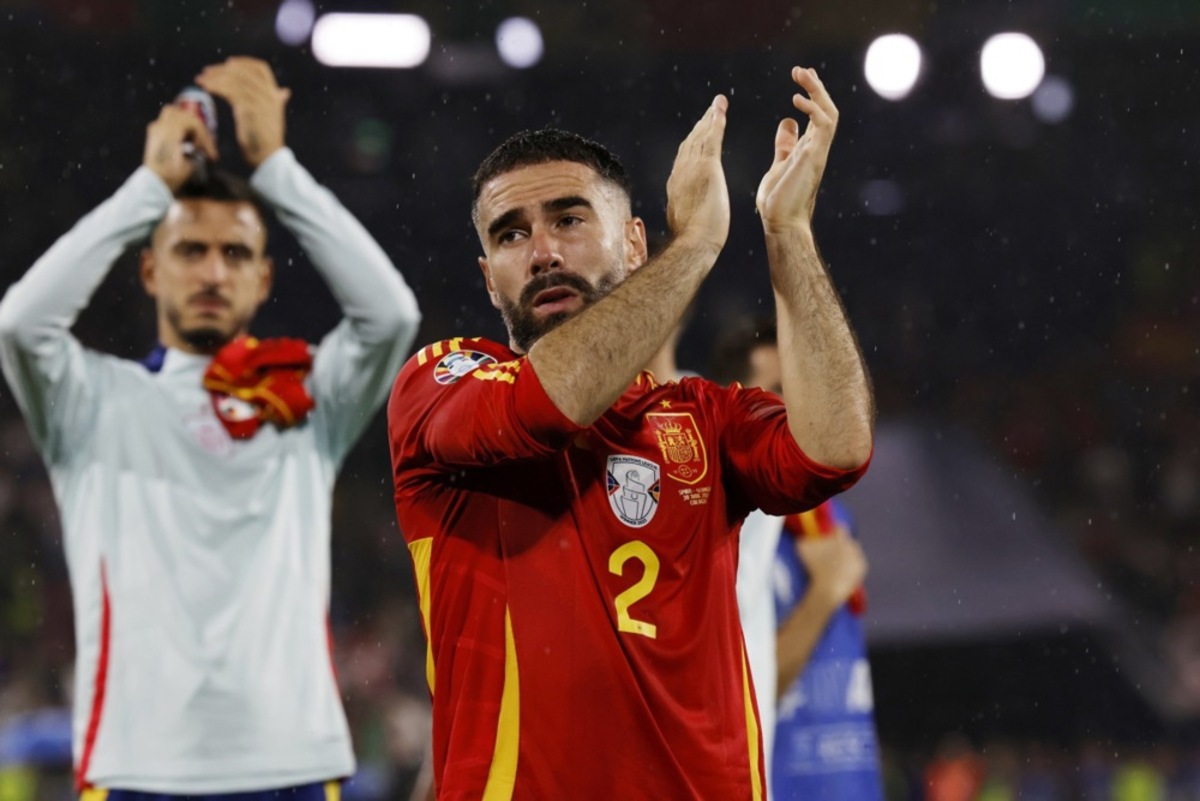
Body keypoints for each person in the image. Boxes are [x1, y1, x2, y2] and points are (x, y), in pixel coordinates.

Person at [388, 66, 873, 798]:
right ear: (490, 280)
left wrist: (789, 233)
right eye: (512, 234)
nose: (543, 250)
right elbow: (549, 404)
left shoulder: (702, 418)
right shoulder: (440, 382)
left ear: (635, 243)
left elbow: (836, 449)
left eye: (570, 219)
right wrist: (699, 244)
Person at [0, 57, 421, 795]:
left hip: (290, 760)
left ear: (263, 278)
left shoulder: (306, 397)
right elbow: (20, 324)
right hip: (137, 764)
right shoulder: (92, 399)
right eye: (189, 250)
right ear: (150, 272)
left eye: (235, 253)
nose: (212, 272)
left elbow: (391, 315)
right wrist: (149, 187)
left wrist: (278, 167)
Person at [709, 317, 879, 800]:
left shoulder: (831, 520)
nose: (799, 411)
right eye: (779, 391)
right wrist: (824, 595)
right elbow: (737, 695)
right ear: (736, 403)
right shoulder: (726, 526)